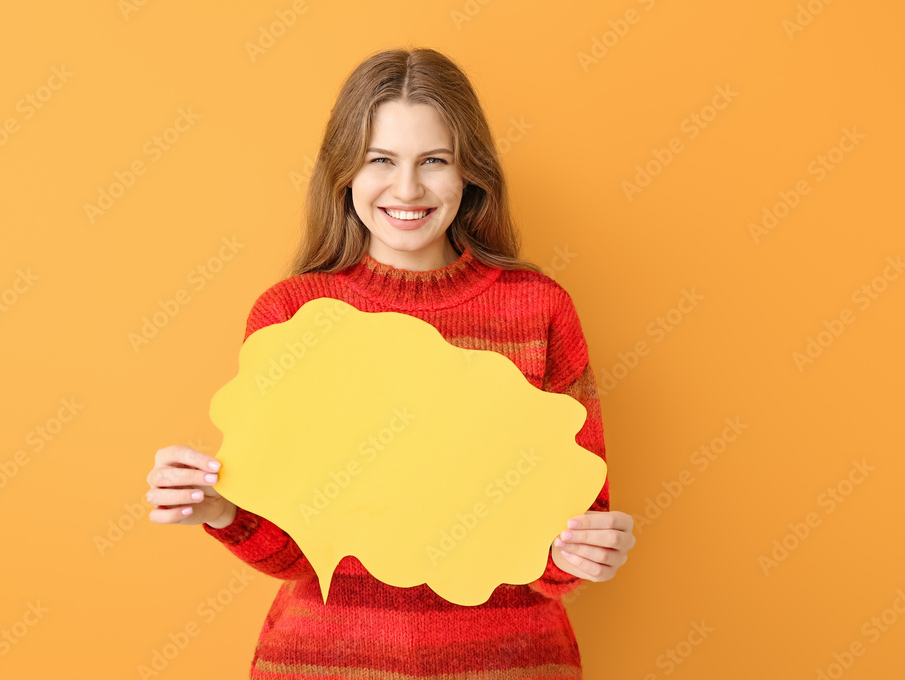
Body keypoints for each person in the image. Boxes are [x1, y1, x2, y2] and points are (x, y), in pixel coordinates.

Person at [146, 46, 636, 678]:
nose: (407, 189)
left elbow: (565, 544)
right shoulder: (292, 315)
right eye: (381, 160)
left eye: (434, 161)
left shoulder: (538, 310)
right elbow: (303, 556)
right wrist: (216, 507)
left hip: (508, 665)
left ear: (470, 175)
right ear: (345, 172)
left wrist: (587, 552)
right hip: (325, 663)